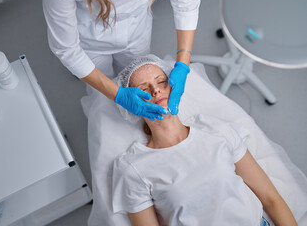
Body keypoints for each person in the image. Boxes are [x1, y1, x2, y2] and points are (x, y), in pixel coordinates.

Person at [112, 55, 298, 226]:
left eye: (161, 81)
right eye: (143, 89)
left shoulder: (215, 130)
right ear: (131, 105)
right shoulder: (134, 168)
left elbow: (271, 200)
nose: (156, 90)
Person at [42, 0, 200, 120]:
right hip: (90, 44)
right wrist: (117, 95)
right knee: (102, 96)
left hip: (137, 32)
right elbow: (67, 49)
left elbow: (186, 3)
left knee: (137, 77)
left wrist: (183, 63)